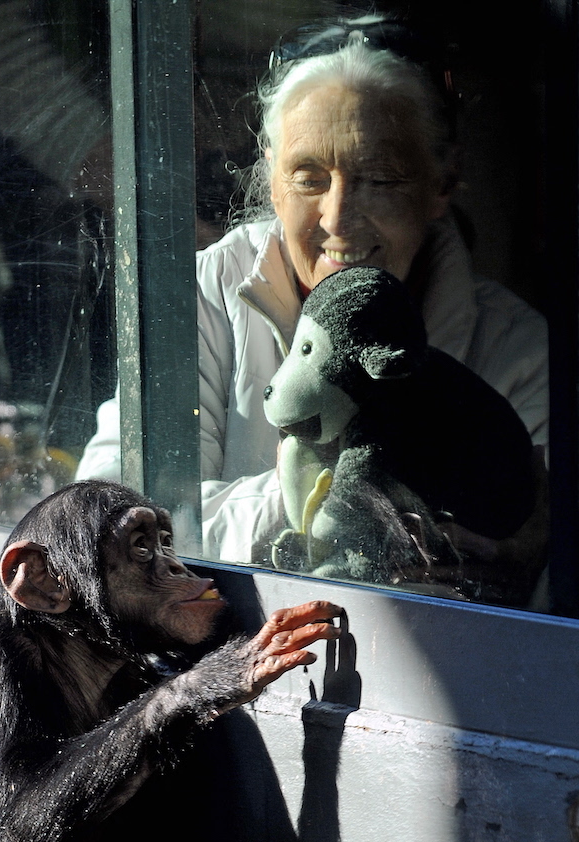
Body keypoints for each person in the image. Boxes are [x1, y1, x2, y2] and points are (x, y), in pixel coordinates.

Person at [77, 16, 548, 571]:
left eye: (381, 178)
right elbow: (106, 517)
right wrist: (322, 496)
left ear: (440, 185)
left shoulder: (516, 347)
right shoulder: (207, 295)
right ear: (272, 180)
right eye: (309, 177)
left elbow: (538, 544)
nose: (339, 218)